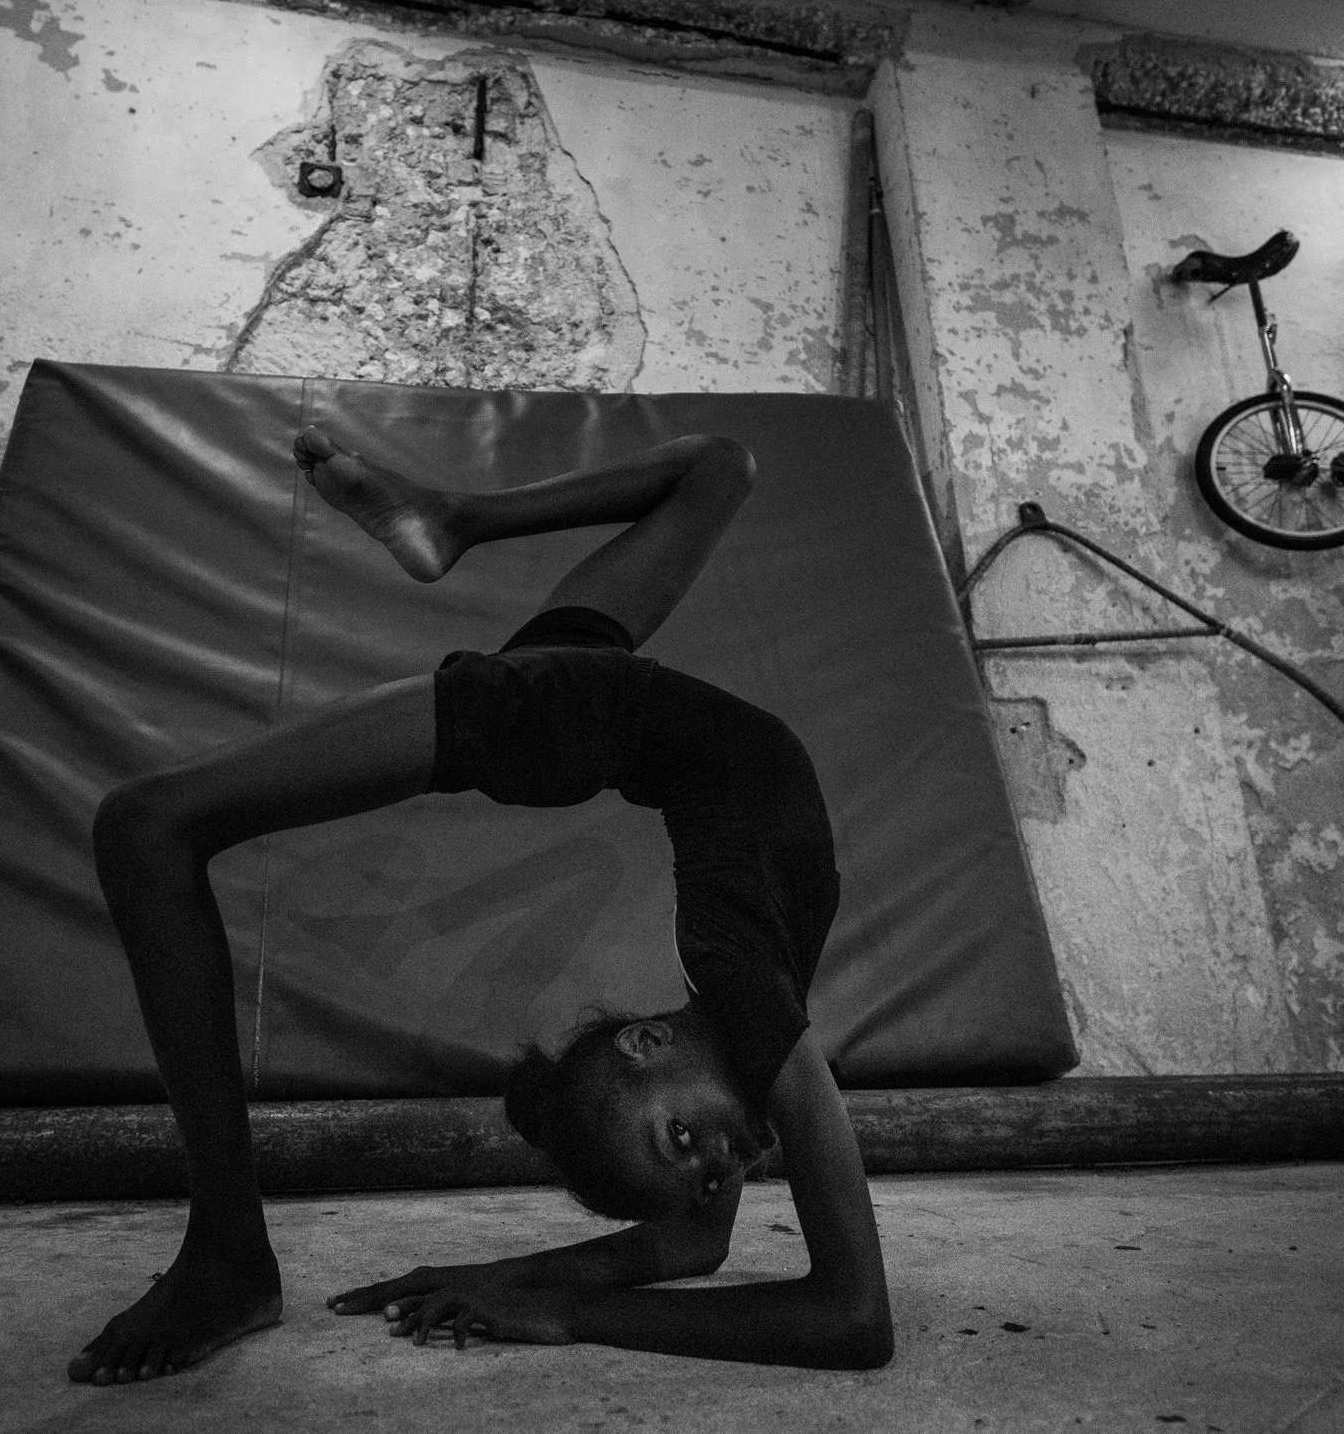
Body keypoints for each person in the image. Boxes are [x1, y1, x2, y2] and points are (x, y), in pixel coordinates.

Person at [67, 422, 892, 1384]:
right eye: (704, 1165)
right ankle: (455, 518)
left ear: (647, 1043)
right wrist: (513, 1281)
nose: (724, 1164)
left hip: (589, 716)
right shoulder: (751, 1013)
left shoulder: (745, 1010)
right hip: (602, 715)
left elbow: (844, 1317)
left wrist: (557, 1306)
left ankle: (228, 1255)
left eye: (687, 1148)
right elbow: (708, 1256)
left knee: (147, 827)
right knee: (721, 469)